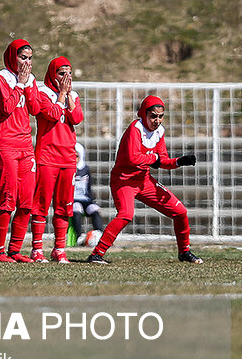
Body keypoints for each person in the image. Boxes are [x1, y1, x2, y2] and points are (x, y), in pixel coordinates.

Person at [87, 95, 203, 265]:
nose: (157, 120)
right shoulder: (135, 128)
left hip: (144, 180)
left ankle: (184, 252)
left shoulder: (159, 131)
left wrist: (178, 162)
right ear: (144, 114)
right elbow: (133, 158)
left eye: (161, 116)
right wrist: (155, 159)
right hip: (124, 180)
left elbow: (161, 160)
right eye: (153, 116)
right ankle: (96, 254)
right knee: (126, 214)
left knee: (180, 212)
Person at [0, 38, 41, 263]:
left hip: (25, 146)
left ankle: (15, 250)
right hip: (6, 145)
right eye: (23, 57)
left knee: (26, 201)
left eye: (30, 58)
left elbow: (35, 108)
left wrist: (28, 85)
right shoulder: (1, 78)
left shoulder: (30, 79)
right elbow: (7, 107)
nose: (26, 63)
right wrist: (19, 84)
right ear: (12, 56)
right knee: (8, 198)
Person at [30, 56, 83, 264]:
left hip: (67, 157)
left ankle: (59, 249)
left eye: (69, 73)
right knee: (41, 205)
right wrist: (61, 94)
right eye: (62, 73)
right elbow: (51, 114)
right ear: (53, 74)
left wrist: (68, 96)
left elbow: (76, 118)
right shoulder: (42, 93)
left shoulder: (73, 95)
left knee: (64, 206)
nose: (66, 78)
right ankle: (37, 249)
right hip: (47, 156)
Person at [71, 142, 106, 248]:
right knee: (77, 208)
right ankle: (79, 236)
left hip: (85, 199)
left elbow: (88, 187)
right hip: (73, 199)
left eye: (76, 156)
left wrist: (91, 199)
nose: (75, 159)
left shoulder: (85, 169)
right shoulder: (68, 169)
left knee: (94, 209)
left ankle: (99, 234)